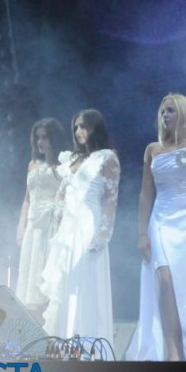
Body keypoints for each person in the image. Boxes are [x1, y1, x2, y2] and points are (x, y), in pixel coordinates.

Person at [126, 93, 186, 361]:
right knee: (164, 279)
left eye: (170, 111)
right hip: (162, 218)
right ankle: (172, 351)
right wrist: (142, 233)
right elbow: (146, 193)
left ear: (184, 115)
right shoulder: (153, 149)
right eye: (163, 111)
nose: (165, 115)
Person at [40, 109, 120, 342]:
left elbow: (111, 201)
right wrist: (58, 221)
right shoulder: (74, 160)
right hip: (68, 231)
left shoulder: (106, 158)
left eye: (83, 126)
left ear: (95, 128)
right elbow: (62, 193)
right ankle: (64, 342)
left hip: (88, 230)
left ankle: (86, 343)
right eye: (76, 127)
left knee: (85, 286)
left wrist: (102, 235)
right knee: (65, 286)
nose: (78, 131)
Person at [15, 118, 68, 317]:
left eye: (45, 137)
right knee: (30, 279)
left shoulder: (64, 165)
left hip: (52, 227)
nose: (40, 142)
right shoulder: (33, 164)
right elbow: (27, 199)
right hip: (33, 226)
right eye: (38, 137)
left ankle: (51, 325)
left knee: (48, 279)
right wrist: (21, 225)